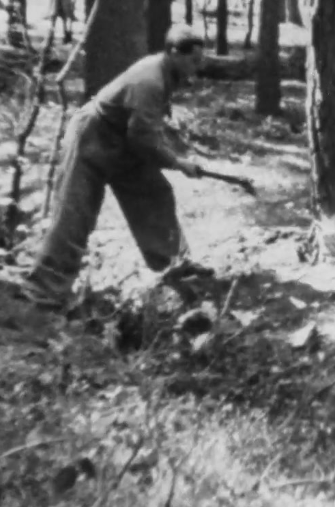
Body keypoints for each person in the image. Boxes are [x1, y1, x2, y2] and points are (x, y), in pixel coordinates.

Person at [18, 24, 211, 310]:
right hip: (92, 138)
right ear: (173, 53)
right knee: (75, 214)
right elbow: (143, 139)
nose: (198, 67)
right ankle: (44, 291)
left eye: (199, 60)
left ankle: (177, 268)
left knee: (154, 193)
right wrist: (178, 162)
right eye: (193, 60)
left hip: (121, 142)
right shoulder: (151, 81)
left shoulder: (167, 72)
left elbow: (143, 131)